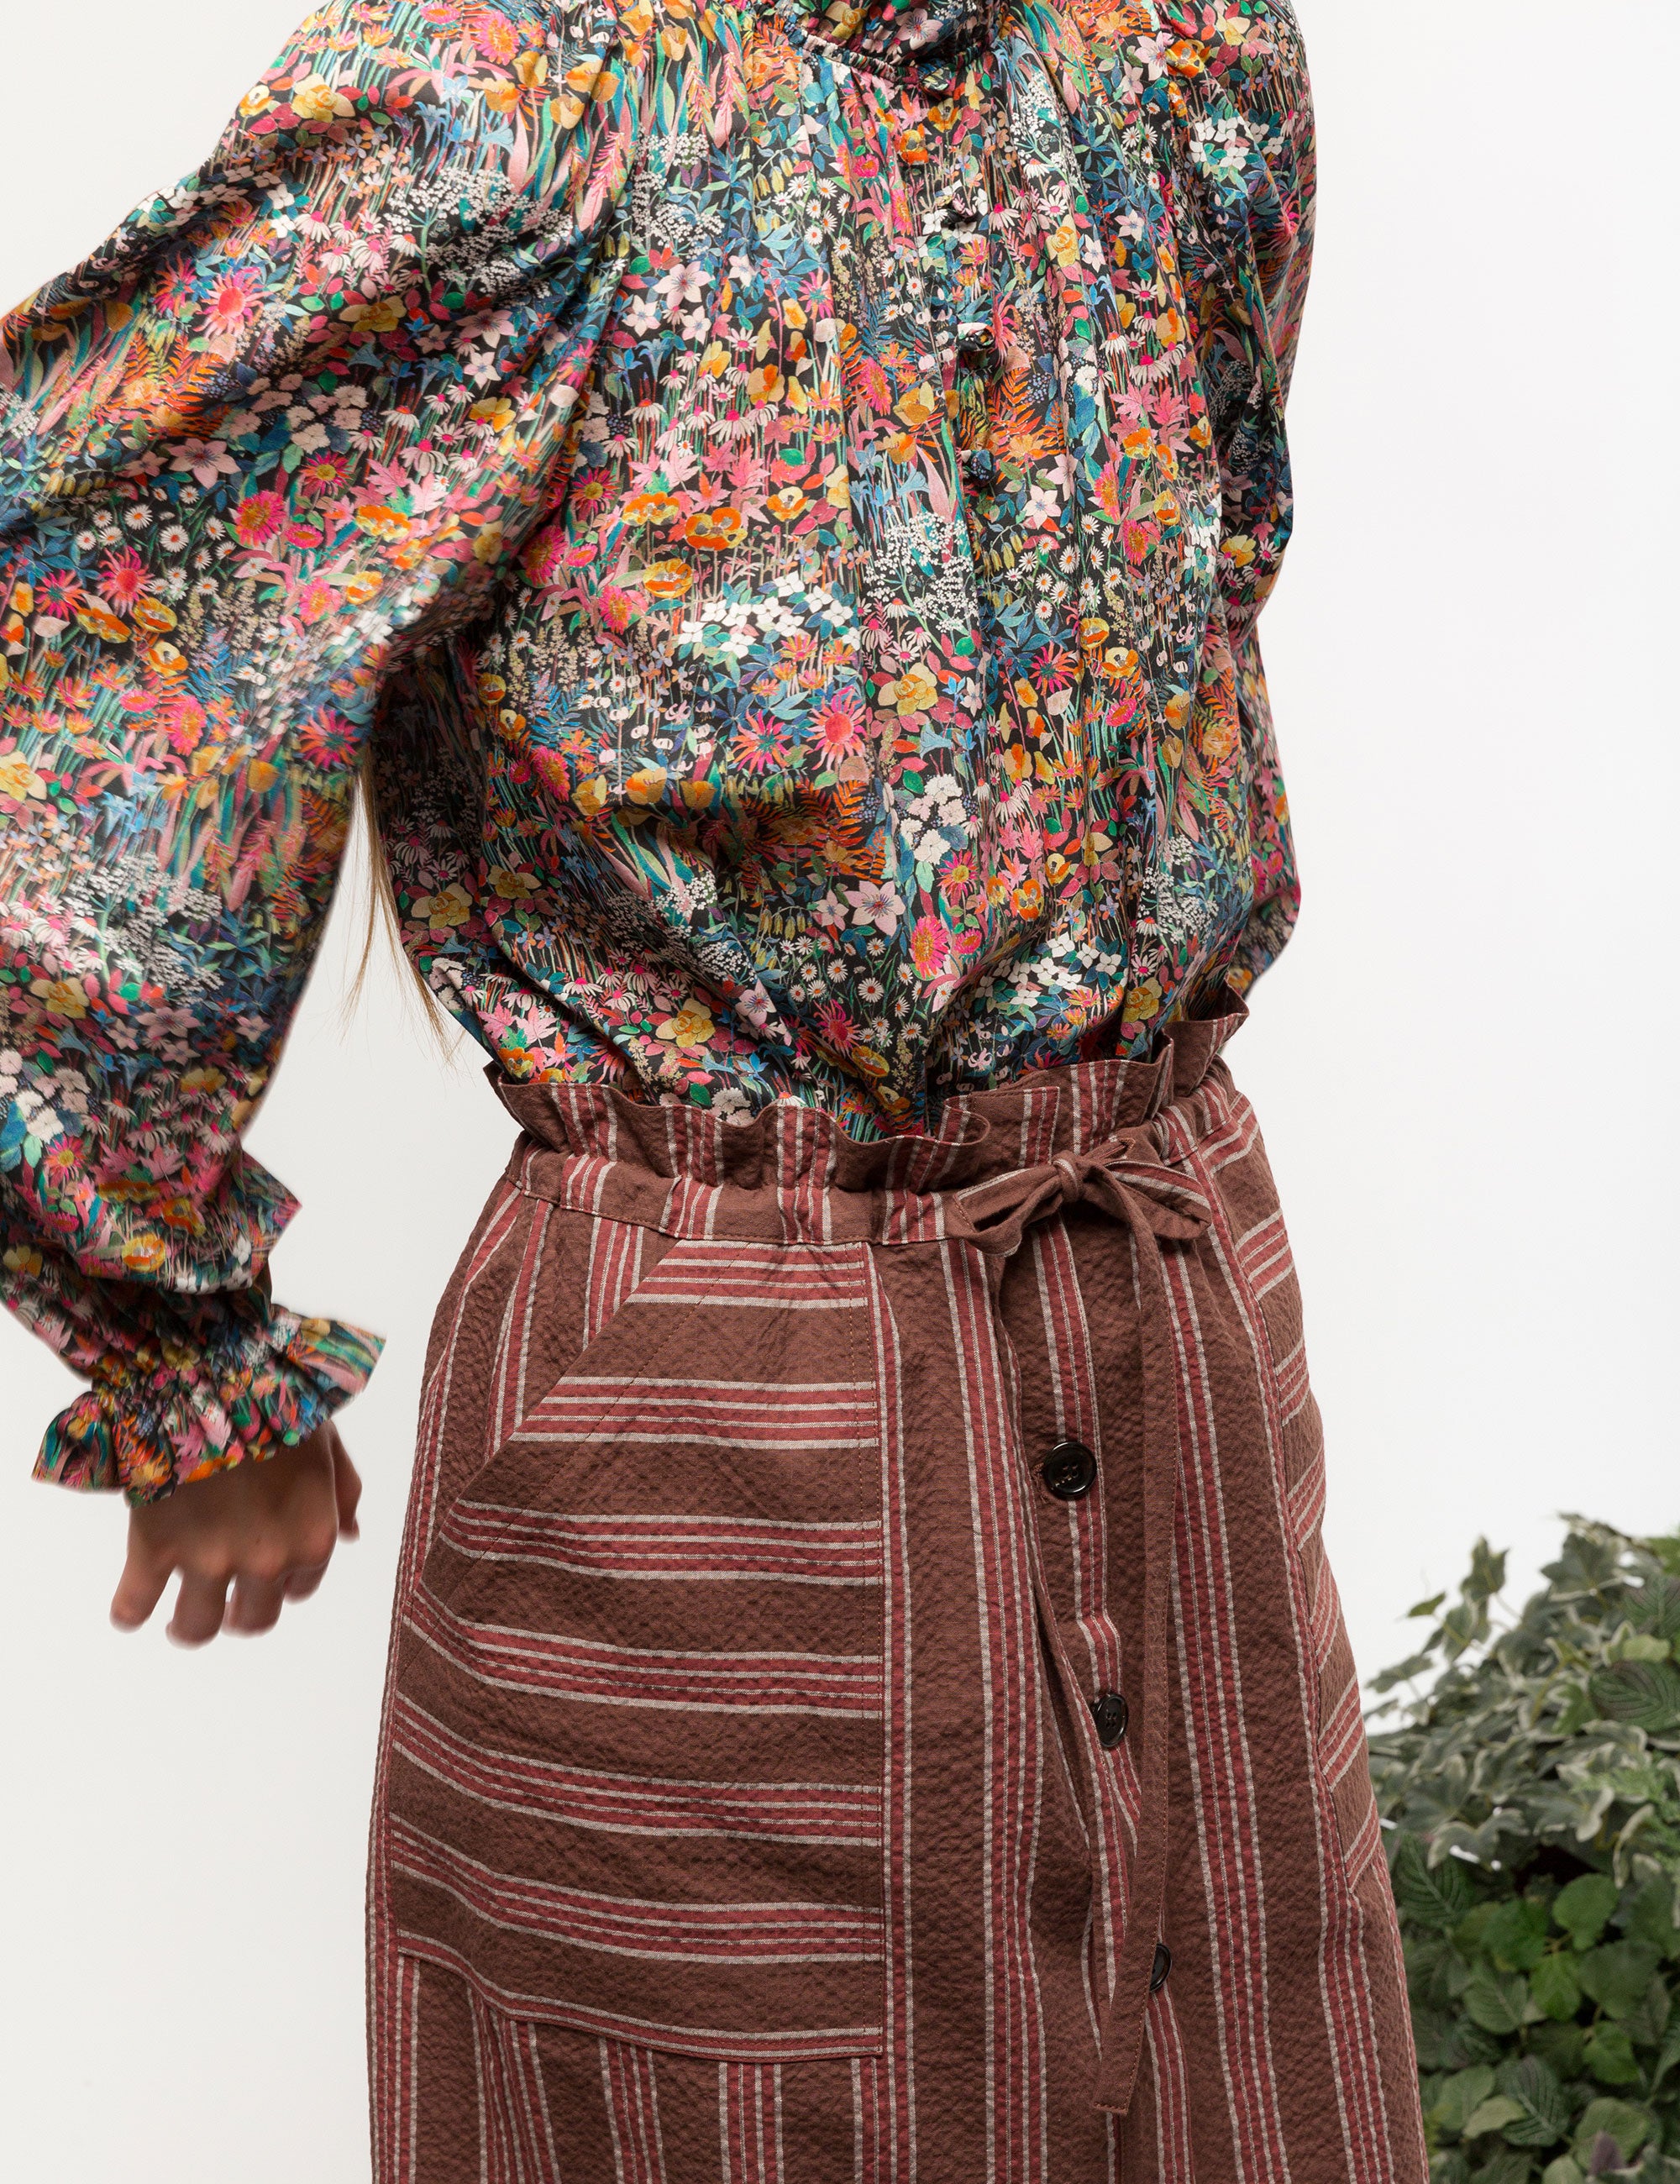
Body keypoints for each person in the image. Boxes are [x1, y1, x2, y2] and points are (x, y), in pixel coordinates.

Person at [0, 0, 1428, 2175]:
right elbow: (72, 614)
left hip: (1175, 1328)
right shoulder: (498, 110)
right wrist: (171, 1329)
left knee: (1253, 2100)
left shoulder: (1188, 59)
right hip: (718, 1427)